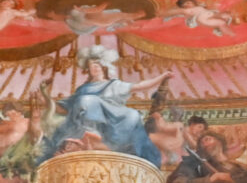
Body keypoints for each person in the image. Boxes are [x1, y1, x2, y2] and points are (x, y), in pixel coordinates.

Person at [40, 47, 168, 164]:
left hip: (113, 123)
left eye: (98, 64)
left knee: (132, 114)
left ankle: (110, 139)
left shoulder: (114, 85)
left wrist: (162, 77)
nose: (95, 67)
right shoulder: (82, 90)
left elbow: (140, 86)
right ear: (87, 68)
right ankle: (90, 132)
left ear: (104, 66)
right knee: (87, 100)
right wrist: (44, 94)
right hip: (81, 127)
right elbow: (61, 108)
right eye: (92, 65)